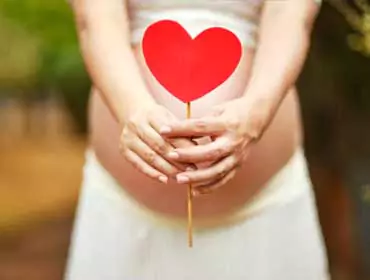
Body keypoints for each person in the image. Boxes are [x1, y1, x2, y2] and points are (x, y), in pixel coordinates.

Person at [65, 0, 330, 279]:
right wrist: (133, 110)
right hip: (124, 212)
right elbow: (95, 20)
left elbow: (291, 16)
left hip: (266, 209)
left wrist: (257, 111)